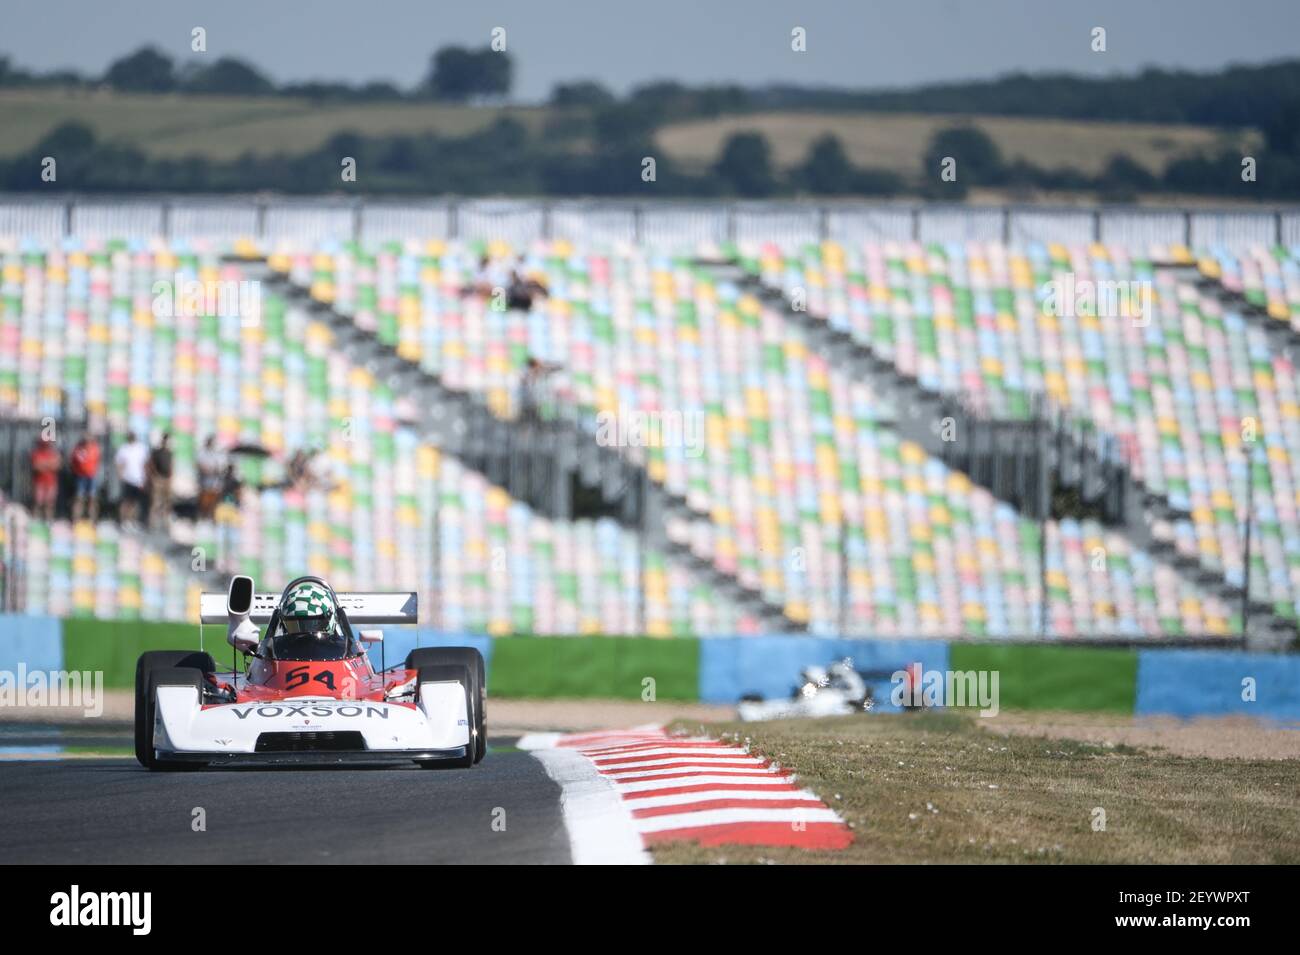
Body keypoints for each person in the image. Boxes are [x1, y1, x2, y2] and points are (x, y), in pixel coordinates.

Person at [114, 432, 149, 527]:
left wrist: (145, 478)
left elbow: (145, 464)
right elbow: (119, 463)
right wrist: (121, 476)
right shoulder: (124, 448)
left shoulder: (141, 448)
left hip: (138, 479)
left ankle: (132, 521)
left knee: (135, 502)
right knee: (126, 501)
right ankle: (123, 521)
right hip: (127, 479)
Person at [69, 433, 101, 521]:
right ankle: (76, 520)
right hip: (80, 477)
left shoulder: (95, 448)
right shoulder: (78, 448)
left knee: (92, 499)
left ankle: (92, 520)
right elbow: (73, 462)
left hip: (92, 476)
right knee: (79, 498)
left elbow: (97, 461)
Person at [146, 432, 174, 532]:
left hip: (167, 479)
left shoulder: (170, 452)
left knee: (167, 503)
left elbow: (171, 465)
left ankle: (165, 523)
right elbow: (151, 464)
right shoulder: (157, 452)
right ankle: (152, 524)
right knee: (156, 502)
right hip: (158, 479)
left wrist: (171, 477)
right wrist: (155, 476)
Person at [29, 435, 60, 521]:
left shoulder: (53, 454)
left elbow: (56, 465)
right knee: (38, 502)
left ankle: (49, 521)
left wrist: (44, 465)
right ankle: (35, 520)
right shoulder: (36, 453)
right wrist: (49, 465)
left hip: (51, 482)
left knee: (49, 503)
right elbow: (36, 466)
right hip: (39, 482)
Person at [196, 435, 226, 520]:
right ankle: (203, 518)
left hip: (215, 485)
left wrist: (217, 470)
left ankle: (211, 519)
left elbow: (221, 467)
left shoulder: (216, 454)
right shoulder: (202, 453)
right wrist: (209, 470)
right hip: (205, 484)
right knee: (204, 505)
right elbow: (200, 466)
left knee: (214, 506)